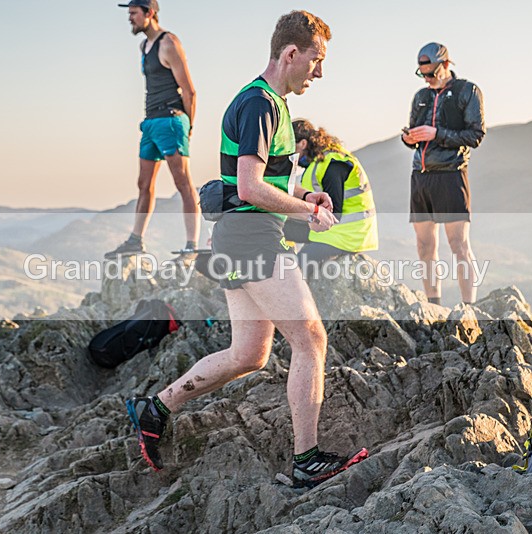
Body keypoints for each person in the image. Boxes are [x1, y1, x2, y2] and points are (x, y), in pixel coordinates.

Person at [126, 10, 368, 488]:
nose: (319, 72)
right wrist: (307, 214)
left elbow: (257, 184)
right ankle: (306, 460)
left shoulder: (262, 102)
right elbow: (252, 187)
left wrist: (302, 196)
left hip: (237, 237)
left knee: (249, 353)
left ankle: (156, 408)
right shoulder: (263, 104)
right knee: (311, 339)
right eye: (316, 60)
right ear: (291, 53)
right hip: (254, 239)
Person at [106, 0, 200, 259]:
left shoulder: (169, 43)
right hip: (150, 122)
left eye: (134, 14)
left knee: (182, 183)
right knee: (143, 184)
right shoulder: (144, 46)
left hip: (171, 119)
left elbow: (189, 90)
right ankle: (136, 240)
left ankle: (192, 245)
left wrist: (188, 126)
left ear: (150, 13)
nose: (130, 19)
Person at [401, 42, 485, 305]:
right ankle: (434, 305)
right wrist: (408, 138)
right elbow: (415, 137)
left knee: (458, 245)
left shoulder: (467, 91)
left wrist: (437, 134)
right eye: (421, 74)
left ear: (446, 65)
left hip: (451, 173)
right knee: (424, 246)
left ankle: (468, 306)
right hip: (421, 175)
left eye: (430, 73)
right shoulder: (420, 96)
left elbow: (476, 135)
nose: (426, 79)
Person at [284, 119, 378, 270]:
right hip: (335, 230)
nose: (287, 153)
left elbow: (334, 213)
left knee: (298, 267)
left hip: (346, 234)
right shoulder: (318, 164)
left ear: (302, 143)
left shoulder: (333, 164)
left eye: (289, 147)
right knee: (277, 226)